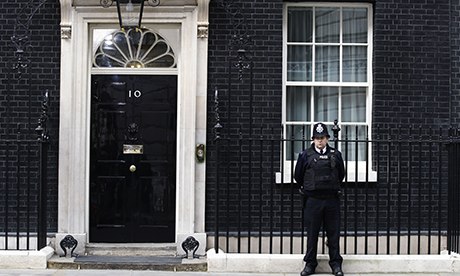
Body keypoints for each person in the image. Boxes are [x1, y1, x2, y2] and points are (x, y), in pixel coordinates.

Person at [294, 122, 345, 276]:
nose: (320, 141)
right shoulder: (305, 155)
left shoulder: (336, 154)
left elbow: (341, 174)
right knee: (312, 234)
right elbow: (298, 176)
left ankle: (336, 265)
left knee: (333, 234)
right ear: (313, 139)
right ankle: (310, 264)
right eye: (317, 138)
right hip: (313, 200)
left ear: (327, 138)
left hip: (331, 200)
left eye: (322, 137)